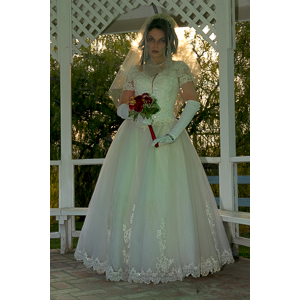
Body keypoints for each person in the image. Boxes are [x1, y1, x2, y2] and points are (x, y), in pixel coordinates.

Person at [74, 13, 234, 284]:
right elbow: (122, 106)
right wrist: (137, 110)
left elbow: (193, 103)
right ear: (144, 41)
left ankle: (172, 259)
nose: (155, 45)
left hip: (169, 138)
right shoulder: (134, 71)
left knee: (167, 197)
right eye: (151, 39)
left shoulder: (179, 68)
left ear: (170, 41)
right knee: (129, 195)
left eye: (161, 40)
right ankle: (129, 261)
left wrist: (172, 134)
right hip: (135, 139)